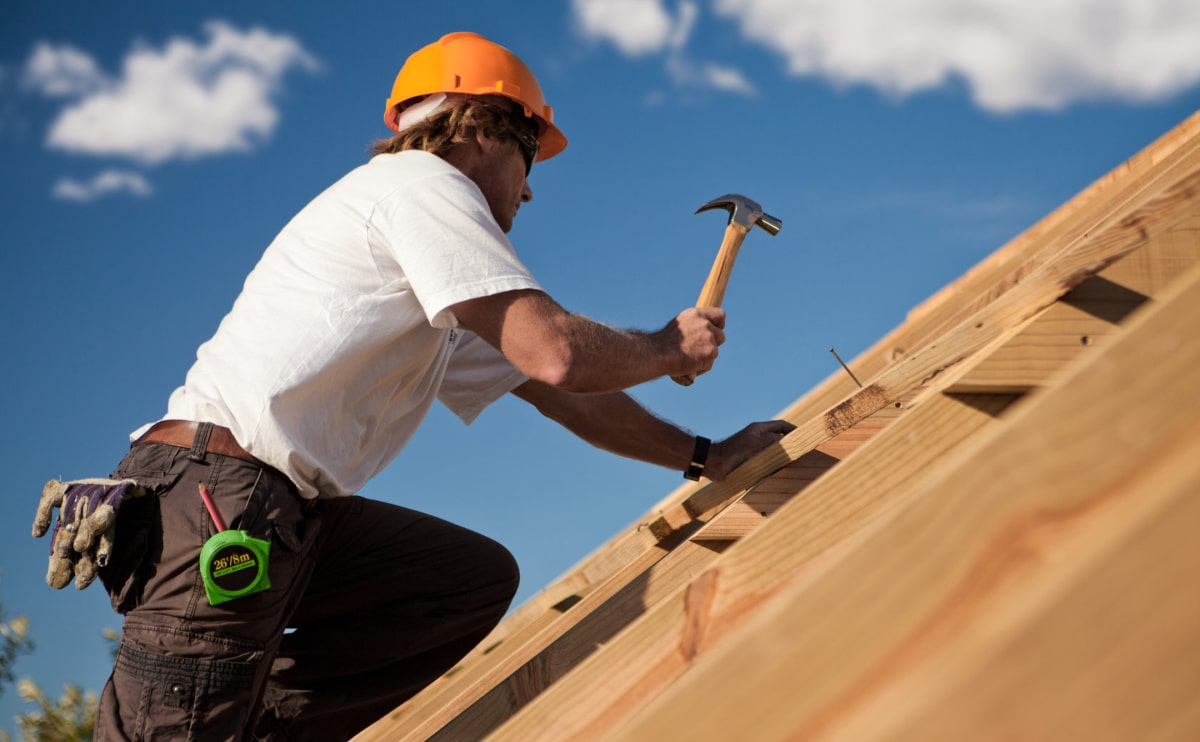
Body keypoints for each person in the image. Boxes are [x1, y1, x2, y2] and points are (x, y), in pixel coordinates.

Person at [34, 31, 794, 741]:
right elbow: (556, 353)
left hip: (271, 511)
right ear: (486, 128)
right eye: (531, 155)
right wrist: (665, 346)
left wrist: (705, 455)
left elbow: (557, 391)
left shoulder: (427, 268)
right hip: (219, 501)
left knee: (462, 582)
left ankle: (251, 716)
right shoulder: (423, 186)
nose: (529, 193)